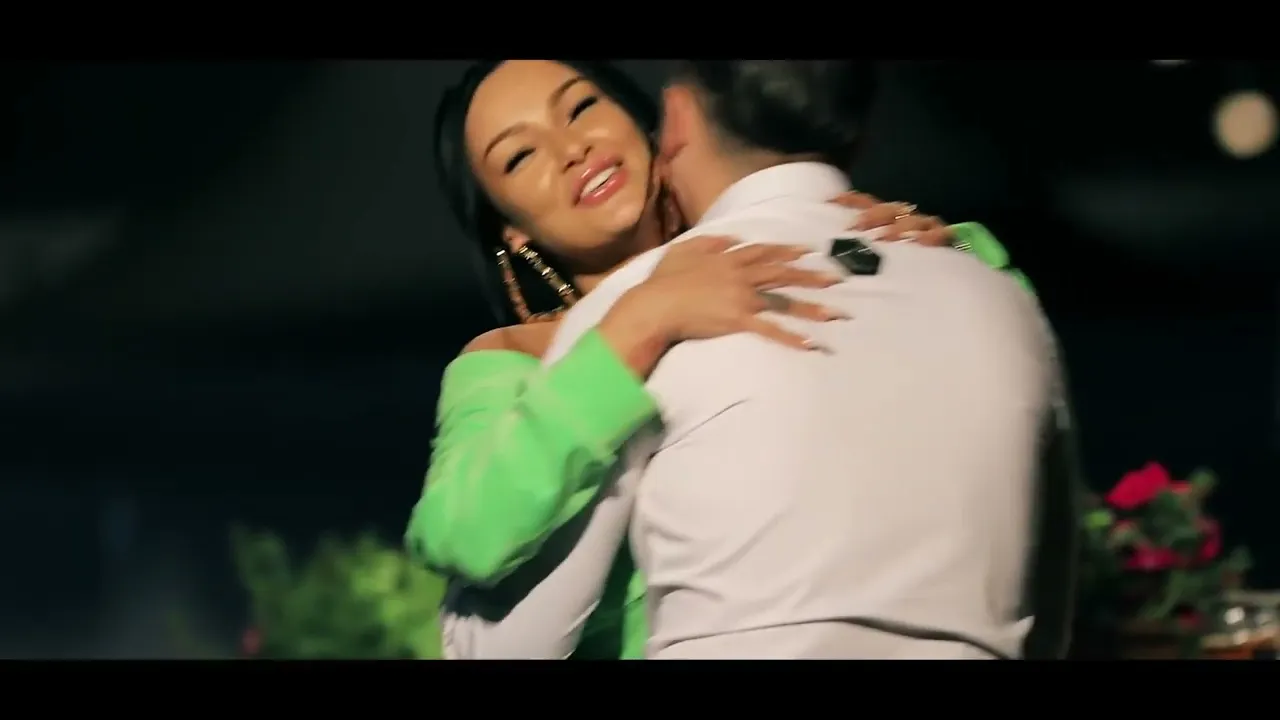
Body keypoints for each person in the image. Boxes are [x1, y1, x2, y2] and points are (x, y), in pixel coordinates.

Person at [407, 60, 1039, 659]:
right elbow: (456, 530)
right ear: (512, 231)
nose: (571, 148)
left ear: (656, 123)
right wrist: (631, 331)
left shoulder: (784, 256)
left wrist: (941, 253)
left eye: (580, 109)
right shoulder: (512, 359)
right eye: (520, 156)